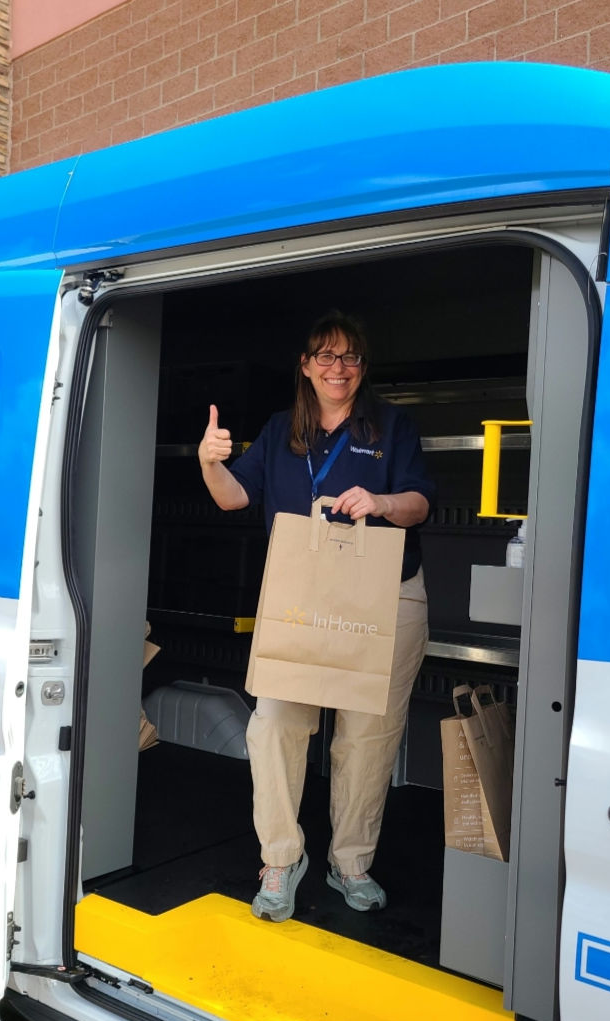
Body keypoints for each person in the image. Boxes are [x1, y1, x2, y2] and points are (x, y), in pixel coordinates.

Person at [198, 310, 434, 923]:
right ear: (305, 366)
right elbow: (234, 497)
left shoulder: (392, 425)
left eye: (350, 357)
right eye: (326, 356)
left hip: (384, 597)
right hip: (301, 598)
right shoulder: (281, 430)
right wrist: (210, 462)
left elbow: (420, 503)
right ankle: (281, 858)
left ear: (363, 367)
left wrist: (380, 501)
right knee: (274, 724)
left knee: (368, 738)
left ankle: (350, 862)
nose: (338, 368)